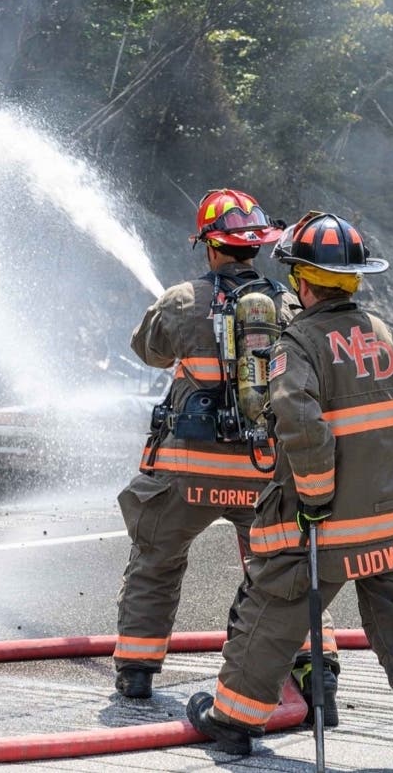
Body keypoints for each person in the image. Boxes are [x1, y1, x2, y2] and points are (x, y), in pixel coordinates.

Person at [186, 212, 393, 773]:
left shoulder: (300, 344)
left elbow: (299, 422)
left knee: (274, 605)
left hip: (332, 521)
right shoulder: (380, 332)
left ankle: (235, 721)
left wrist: (314, 499)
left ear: (303, 282)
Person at [113, 189, 340, 718]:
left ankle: (138, 673)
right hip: (260, 474)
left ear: (210, 247)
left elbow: (146, 350)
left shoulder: (180, 300)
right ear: (257, 246)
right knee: (286, 569)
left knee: (156, 560)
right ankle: (318, 675)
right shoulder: (286, 305)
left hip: (184, 474)